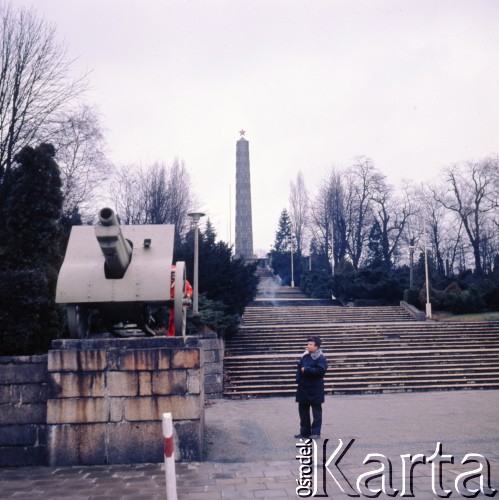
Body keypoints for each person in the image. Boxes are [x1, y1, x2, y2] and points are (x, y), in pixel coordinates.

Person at [295, 335, 328, 439]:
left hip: (315, 388)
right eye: (308, 344)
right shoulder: (304, 356)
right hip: (303, 388)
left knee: (316, 412)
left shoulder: (321, 358)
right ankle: (304, 431)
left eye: (310, 344)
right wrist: (299, 379)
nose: (308, 346)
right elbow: (299, 368)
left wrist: (307, 370)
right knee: (303, 411)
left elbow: (321, 371)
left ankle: (315, 432)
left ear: (316, 347)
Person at [167, 265, 193, 336]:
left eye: (174, 273)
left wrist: (188, 295)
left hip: (179, 303)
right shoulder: (168, 283)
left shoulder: (184, 282)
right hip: (172, 303)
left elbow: (189, 289)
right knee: (172, 319)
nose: (173, 275)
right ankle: (171, 334)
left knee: (176, 319)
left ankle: (175, 334)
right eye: (171, 273)